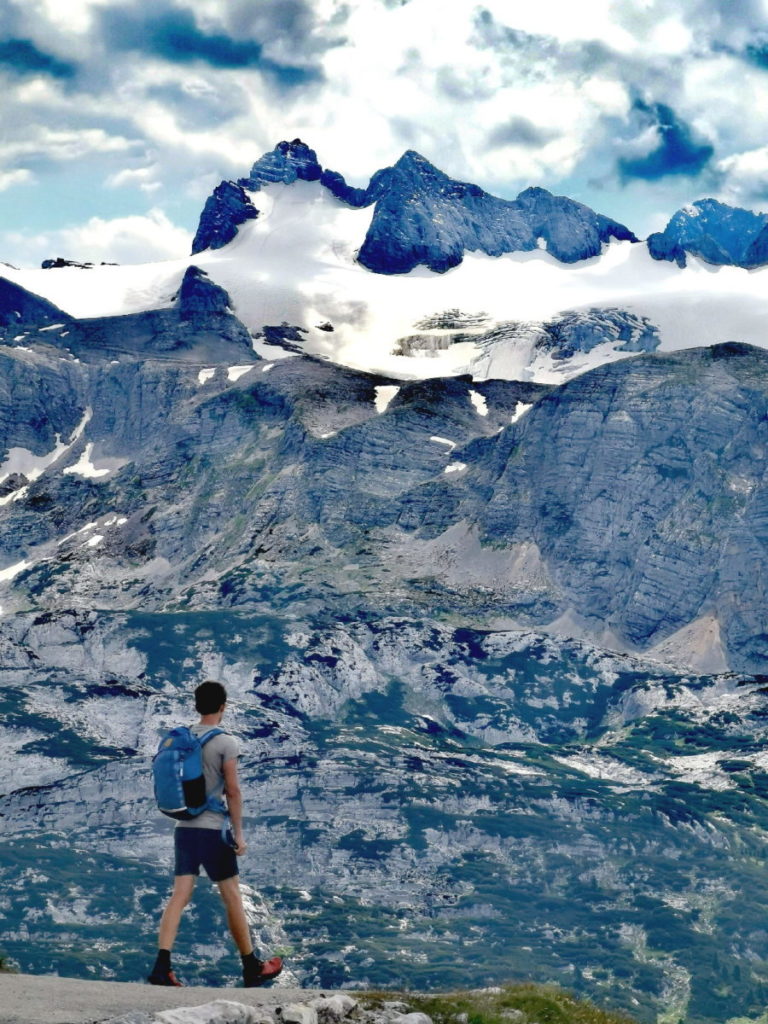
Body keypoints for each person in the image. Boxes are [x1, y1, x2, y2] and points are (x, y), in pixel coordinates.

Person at [147, 680, 283, 988]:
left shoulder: (180, 739)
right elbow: (232, 791)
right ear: (223, 706)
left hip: (183, 829)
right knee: (232, 896)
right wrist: (239, 834)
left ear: (196, 705)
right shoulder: (226, 742)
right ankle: (251, 967)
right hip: (212, 830)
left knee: (179, 896)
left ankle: (162, 966)